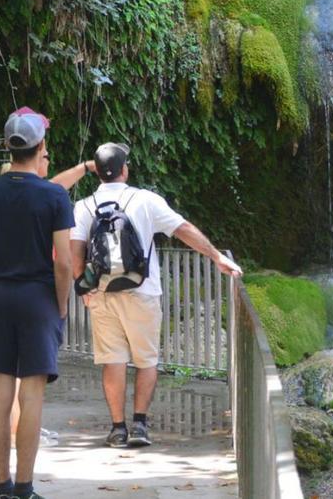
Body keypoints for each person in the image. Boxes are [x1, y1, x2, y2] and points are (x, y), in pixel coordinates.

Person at [69, 142, 242, 448]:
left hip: (103, 294)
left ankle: (117, 428)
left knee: (113, 362)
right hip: (143, 291)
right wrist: (216, 256)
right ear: (125, 170)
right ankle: (140, 426)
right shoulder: (145, 200)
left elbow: (75, 256)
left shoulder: (82, 206)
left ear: (96, 171)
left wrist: (84, 287)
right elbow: (183, 228)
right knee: (146, 361)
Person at [0, 109, 74, 499]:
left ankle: (3, 487)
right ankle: (25, 487)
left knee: (0, 391)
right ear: (40, 146)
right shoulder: (54, 195)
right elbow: (65, 264)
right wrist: (60, 305)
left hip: (3, 296)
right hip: (39, 296)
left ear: (8, 147)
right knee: (32, 393)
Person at [0, 153, 97, 446]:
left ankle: (21, 429)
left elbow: (56, 184)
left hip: (11, 294)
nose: (48, 160)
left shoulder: (18, 201)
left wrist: (82, 167)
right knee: (27, 374)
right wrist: (63, 301)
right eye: (44, 156)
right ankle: (21, 430)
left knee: (16, 373)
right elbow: (56, 186)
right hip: (36, 295)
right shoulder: (36, 198)